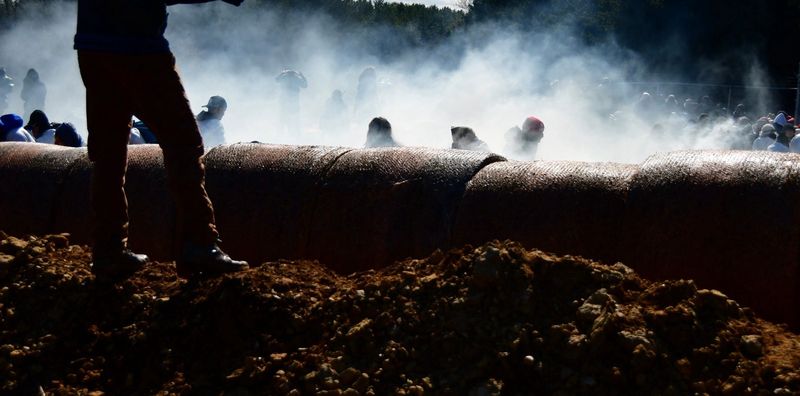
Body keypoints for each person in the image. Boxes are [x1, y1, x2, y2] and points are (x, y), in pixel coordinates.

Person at [74, 0, 248, 280]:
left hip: (92, 48)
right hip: (138, 46)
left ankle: (108, 249)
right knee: (184, 143)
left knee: (108, 152)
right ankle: (200, 241)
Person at [275, 69, 307, 133]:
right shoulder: (297, 78)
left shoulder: (284, 77)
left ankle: (281, 133)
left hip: (286, 100)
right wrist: (302, 75)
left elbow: (276, 80)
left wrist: (282, 73)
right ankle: (295, 133)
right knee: (294, 117)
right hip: (292, 100)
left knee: (284, 118)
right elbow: (305, 85)